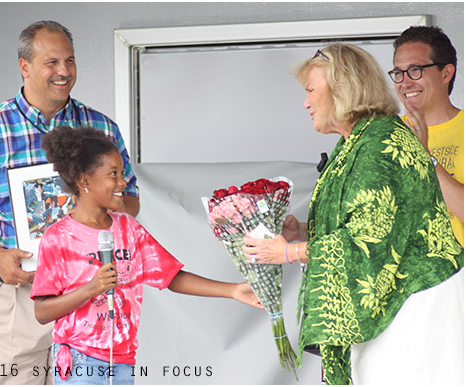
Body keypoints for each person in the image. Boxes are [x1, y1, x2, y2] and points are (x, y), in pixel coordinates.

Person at [242, 44, 464, 385]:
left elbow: (368, 236)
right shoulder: (355, 141)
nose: (305, 103)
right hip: (390, 302)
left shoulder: (378, 143)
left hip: (413, 303)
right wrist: (301, 231)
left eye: (311, 91)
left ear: (343, 89)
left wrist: (286, 252)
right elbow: (371, 220)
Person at [0, 20, 139, 384]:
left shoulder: (102, 129)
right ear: (25, 67)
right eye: (52, 62)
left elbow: (131, 199)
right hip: (12, 299)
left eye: (70, 60)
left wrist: (108, 205)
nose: (64, 71)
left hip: (89, 295)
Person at [30, 125, 262, 385]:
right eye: (113, 174)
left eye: (121, 173)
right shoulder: (58, 237)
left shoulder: (129, 228)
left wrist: (232, 291)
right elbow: (42, 311)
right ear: (84, 180)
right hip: (81, 363)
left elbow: (171, 276)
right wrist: (90, 289)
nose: (123, 182)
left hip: (123, 362)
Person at [390, 25, 463, 246]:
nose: (405, 82)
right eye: (398, 73)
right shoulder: (386, 136)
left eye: (415, 70)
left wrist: (426, 158)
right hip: (407, 277)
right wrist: (304, 231)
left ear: (446, 73)